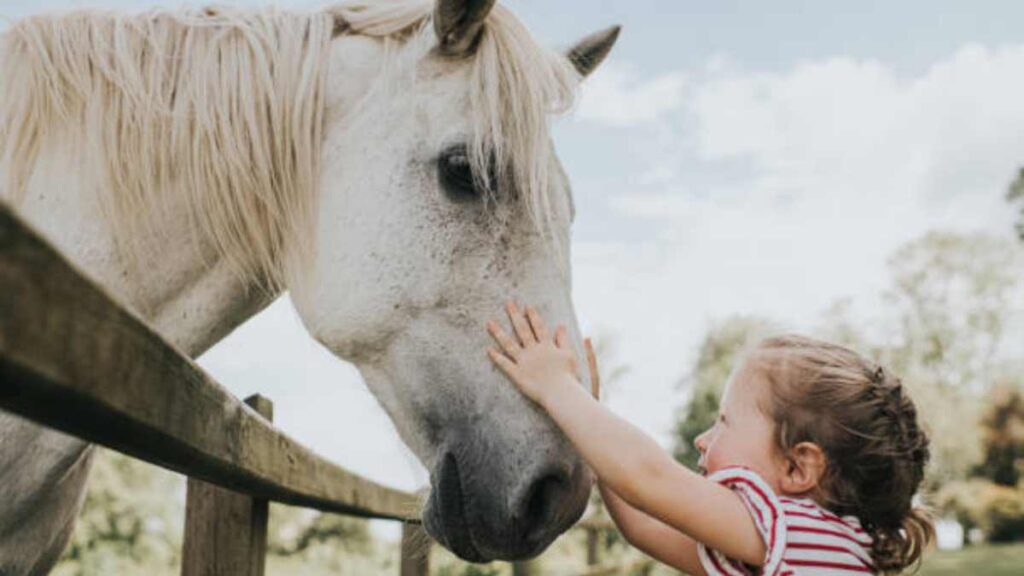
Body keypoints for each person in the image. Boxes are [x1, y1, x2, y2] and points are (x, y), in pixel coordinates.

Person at [486, 302, 934, 575]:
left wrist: (555, 387)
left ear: (797, 467)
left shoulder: (790, 530)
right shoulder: (815, 547)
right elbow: (647, 524)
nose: (703, 439)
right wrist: (589, 422)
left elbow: (649, 478)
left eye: (724, 421)